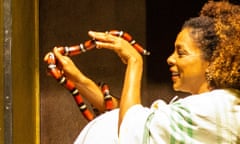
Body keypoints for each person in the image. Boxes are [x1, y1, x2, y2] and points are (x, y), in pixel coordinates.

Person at [44, 1, 240, 143]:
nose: (170, 59)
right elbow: (131, 117)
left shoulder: (215, 108)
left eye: (181, 53)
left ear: (213, 62)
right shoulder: (207, 107)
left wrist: (134, 61)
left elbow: (133, 129)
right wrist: (78, 80)